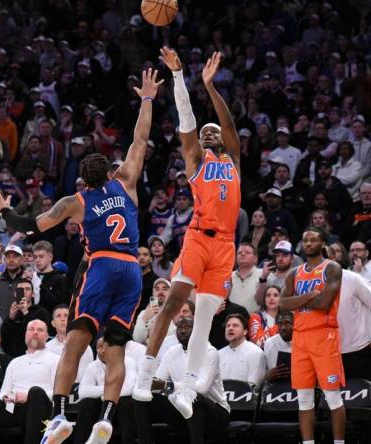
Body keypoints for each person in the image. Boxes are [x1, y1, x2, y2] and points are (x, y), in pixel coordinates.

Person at [0, 69, 162, 444]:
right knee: (115, 350)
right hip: (132, 270)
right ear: (110, 172)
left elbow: (30, 227)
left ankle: (61, 416)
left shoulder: (75, 202)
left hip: (101, 265)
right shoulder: (127, 182)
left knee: (76, 343)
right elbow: (140, 138)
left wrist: (3, 210)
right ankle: (108, 419)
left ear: (83, 180)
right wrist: (147, 99)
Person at [134, 49, 242, 423]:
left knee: (205, 319)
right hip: (198, 237)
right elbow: (188, 120)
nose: (211, 133)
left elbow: (227, 123)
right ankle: (147, 372)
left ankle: (186, 388)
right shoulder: (196, 161)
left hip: (226, 245)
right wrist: (181, 79)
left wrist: (210, 86)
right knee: (176, 299)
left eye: (215, 133)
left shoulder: (233, 162)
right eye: (206, 132)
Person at [280, 227, 345, 444]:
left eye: (313, 240)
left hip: (324, 335)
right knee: (304, 400)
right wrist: (309, 295)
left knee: (333, 397)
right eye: (305, 240)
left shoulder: (332, 267)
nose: (308, 244)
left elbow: (324, 304)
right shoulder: (294, 273)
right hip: (300, 338)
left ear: (323, 243)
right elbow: (282, 304)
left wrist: (297, 300)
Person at [133, 316, 229, 444]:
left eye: (188, 327)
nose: (182, 331)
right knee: (141, 398)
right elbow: (158, 383)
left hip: (215, 413)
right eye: (179, 327)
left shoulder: (209, 352)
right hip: (181, 410)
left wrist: (169, 386)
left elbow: (202, 388)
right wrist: (147, 382)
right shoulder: (172, 352)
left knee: (193, 397)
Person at [74, 337, 137, 444]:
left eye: (107, 346)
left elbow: (129, 388)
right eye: (100, 347)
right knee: (87, 403)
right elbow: (83, 392)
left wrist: (108, 395)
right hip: (101, 408)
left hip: (120, 407)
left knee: (126, 402)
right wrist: (110, 390)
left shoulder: (128, 362)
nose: (103, 350)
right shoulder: (92, 366)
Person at [338, 269, 371, 381]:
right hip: (328, 353)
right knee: (332, 396)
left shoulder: (352, 279)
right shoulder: (313, 281)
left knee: (362, 394)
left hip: (359, 351)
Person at [46, 304, 94, 382]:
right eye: (58, 316)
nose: (63, 319)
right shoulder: (46, 347)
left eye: (66, 316)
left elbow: (85, 377)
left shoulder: (85, 347)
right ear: (53, 323)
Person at [218, 313, 265, 385]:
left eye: (235, 325)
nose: (230, 328)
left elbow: (254, 385)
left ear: (245, 331)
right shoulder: (219, 354)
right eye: (228, 326)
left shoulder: (256, 352)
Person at [263, 311, 294, 382]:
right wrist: (268, 375)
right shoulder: (270, 343)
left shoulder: (303, 341)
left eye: (288, 323)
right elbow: (265, 373)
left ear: (295, 324)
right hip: (277, 385)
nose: (283, 328)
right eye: (280, 324)